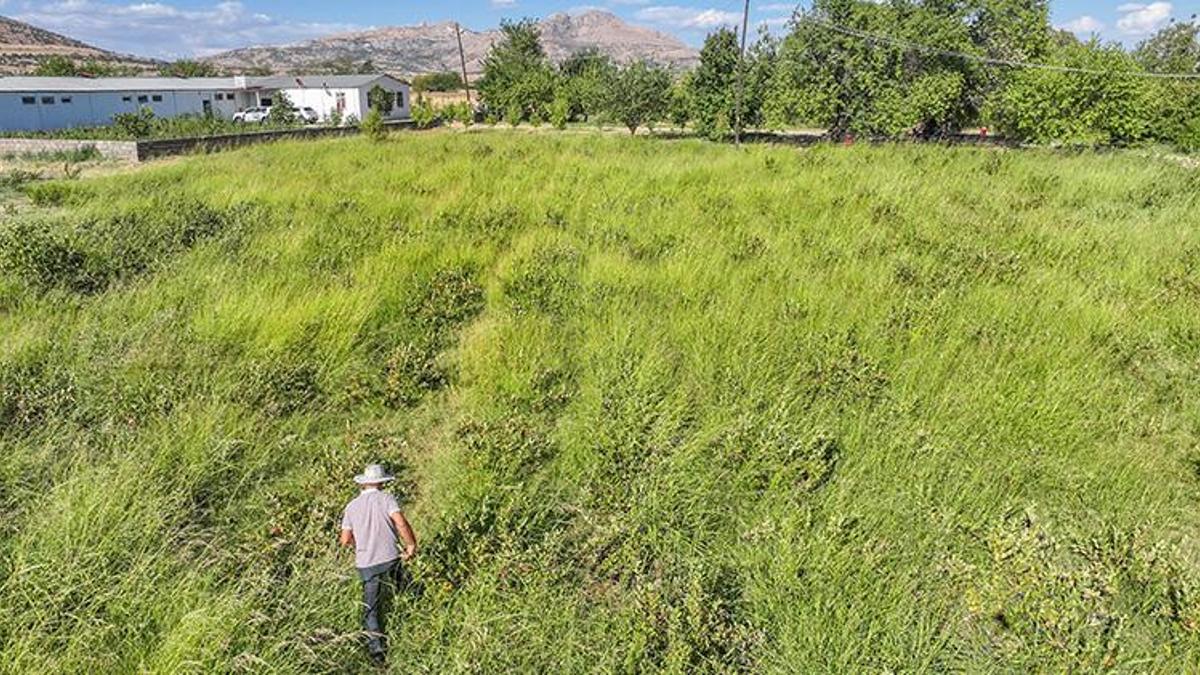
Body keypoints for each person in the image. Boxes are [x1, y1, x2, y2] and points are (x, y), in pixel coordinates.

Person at [339, 463, 417, 665]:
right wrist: (410, 544)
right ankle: (416, 608)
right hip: (390, 556)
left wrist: (362, 543)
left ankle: (377, 652)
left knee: (371, 607)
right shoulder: (387, 499)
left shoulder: (351, 506)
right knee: (403, 582)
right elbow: (400, 522)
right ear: (382, 483)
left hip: (366, 562)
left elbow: (345, 540)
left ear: (364, 484)